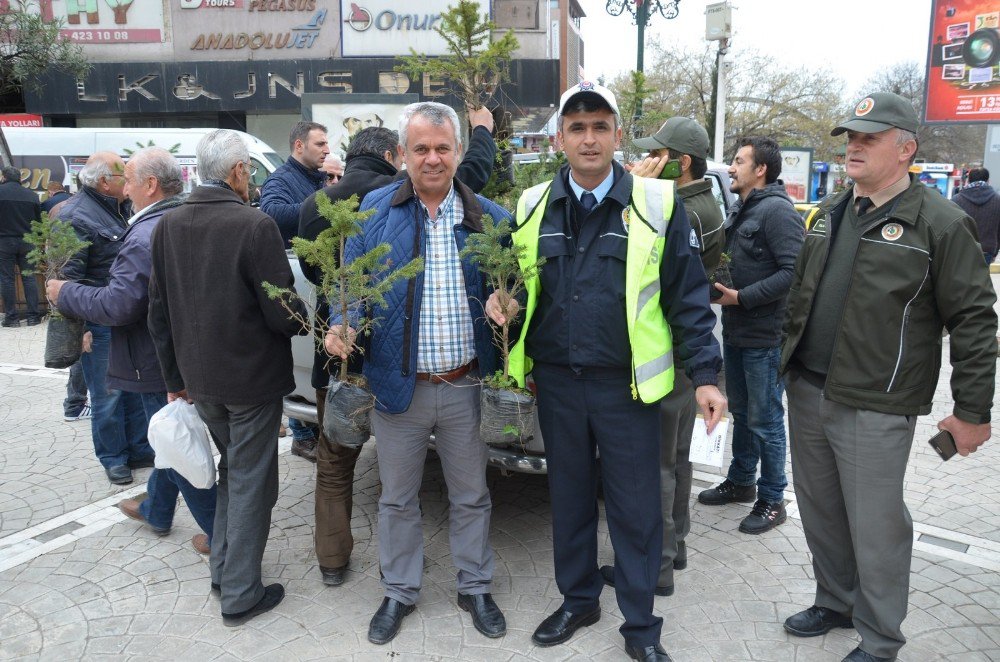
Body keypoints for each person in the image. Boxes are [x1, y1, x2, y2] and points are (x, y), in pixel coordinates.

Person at [495, 82, 726, 662]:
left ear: (617, 135)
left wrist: (706, 375)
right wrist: (503, 306)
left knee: (635, 507)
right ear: (560, 140)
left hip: (628, 389)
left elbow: (688, 298)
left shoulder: (656, 205)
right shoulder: (531, 207)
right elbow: (516, 285)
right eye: (577, 128)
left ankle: (641, 624)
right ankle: (578, 599)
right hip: (557, 383)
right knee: (568, 499)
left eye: (600, 126)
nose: (589, 138)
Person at [781, 92, 996, 662]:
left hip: (875, 402)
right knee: (819, 508)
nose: (855, 144)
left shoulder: (943, 225)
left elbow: (975, 321)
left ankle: (879, 640)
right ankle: (835, 600)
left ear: (906, 150)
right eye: (851, 135)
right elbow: (803, 298)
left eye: (869, 137)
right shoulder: (828, 213)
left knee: (877, 528)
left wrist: (973, 410)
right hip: (807, 388)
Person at [324, 102, 508, 646]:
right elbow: (351, 289)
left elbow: (514, 288)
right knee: (397, 498)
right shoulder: (374, 212)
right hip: (398, 389)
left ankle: (474, 585)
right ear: (402, 154)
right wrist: (344, 324)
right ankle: (400, 590)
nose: (432, 158)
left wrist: (509, 304)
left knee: (471, 494)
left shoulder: (489, 218)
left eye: (442, 148)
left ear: (458, 152)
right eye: (421, 148)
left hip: (467, 385)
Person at [147, 129, 306, 626]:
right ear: (238, 172)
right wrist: (307, 320)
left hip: (200, 380)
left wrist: (175, 377)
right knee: (252, 481)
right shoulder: (253, 225)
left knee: (234, 475)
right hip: (251, 381)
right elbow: (282, 311)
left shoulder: (168, 224)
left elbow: (158, 312)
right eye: (249, 171)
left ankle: (223, 571)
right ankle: (239, 592)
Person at [46, 147, 217, 554]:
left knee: (174, 444)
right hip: (177, 351)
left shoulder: (144, 232)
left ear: (151, 185)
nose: (125, 186)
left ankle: (222, 532)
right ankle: (157, 509)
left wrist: (66, 293)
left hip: (153, 357)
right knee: (166, 439)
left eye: (131, 178)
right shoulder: (181, 217)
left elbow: (120, 305)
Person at [600, 116, 726, 595]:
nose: (648, 160)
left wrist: (636, 190)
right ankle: (677, 549)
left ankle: (657, 567)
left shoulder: (678, 209)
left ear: (682, 163)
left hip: (664, 355)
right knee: (675, 458)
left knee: (656, 467)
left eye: (659, 155)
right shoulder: (699, 202)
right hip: (681, 356)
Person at [698, 136, 803, 535]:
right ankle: (742, 480)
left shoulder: (777, 211)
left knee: (766, 420)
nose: (730, 168)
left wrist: (742, 297)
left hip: (765, 336)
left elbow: (793, 273)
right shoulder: (743, 209)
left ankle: (773, 499)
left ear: (761, 169)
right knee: (743, 414)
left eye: (739, 161)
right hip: (740, 333)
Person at [57, 152, 151, 485]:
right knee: (107, 393)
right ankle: (114, 458)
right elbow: (65, 279)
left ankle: (140, 449)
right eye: (120, 178)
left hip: (126, 315)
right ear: (102, 183)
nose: (127, 184)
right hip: (97, 319)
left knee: (135, 386)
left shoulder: (121, 209)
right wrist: (77, 331)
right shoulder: (75, 217)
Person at [259, 120, 330, 462]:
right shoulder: (281, 180)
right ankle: (302, 434)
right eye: (319, 144)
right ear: (299, 146)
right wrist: (322, 203)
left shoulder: (314, 178)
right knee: (296, 352)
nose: (326, 149)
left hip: (314, 276)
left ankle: (310, 428)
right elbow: (270, 213)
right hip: (296, 279)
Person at [0, 166, 43, 327]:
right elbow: (39, 223)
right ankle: (33, 317)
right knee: (29, 277)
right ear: (20, 178)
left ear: (4, 177)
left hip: (3, 241)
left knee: (7, 279)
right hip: (28, 241)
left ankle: (11, 318)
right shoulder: (31, 195)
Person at [952, 167, 1000, 264]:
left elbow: (950, 227)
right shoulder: (997, 200)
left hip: (961, 249)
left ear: (968, 180)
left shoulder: (956, 200)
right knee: (981, 278)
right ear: (988, 180)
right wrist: (995, 252)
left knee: (962, 278)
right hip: (987, 249)